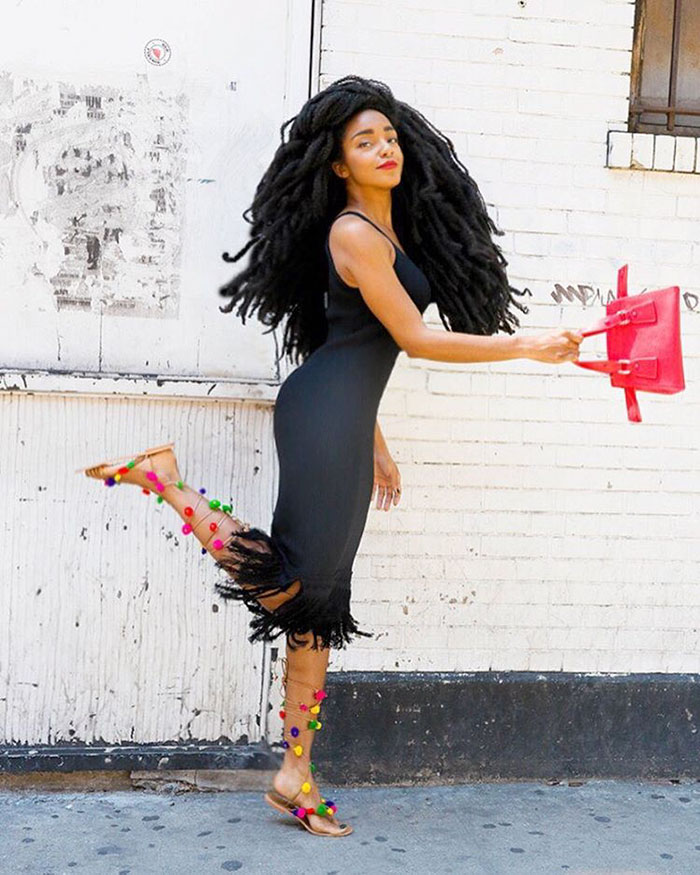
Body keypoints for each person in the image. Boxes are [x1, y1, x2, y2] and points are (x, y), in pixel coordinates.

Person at [79, 75, 582, 838]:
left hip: (343, 415)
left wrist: (373, 437)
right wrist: (525, 344)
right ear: (339, 163)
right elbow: (414, 339)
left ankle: (295, 772)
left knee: (318, 609)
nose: (384, 148)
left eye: (388, 136)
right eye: (364, 142)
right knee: (296, 590)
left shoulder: (390, 231)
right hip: (321, 414)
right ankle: (169, 485)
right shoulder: (352, 232)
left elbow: (355, 340)